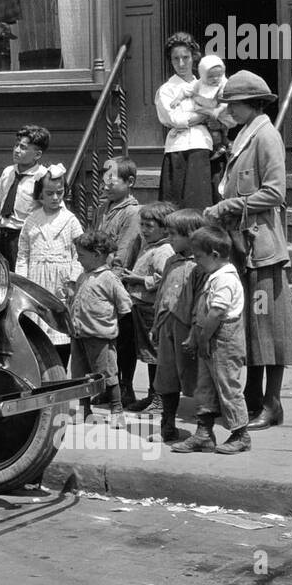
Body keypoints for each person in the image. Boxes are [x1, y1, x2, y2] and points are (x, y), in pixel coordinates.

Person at [203, 71, 292, 429]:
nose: (229, 109)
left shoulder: (266, 136)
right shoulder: (244, 135)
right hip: (241, 247)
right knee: (251, 329)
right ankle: (253, 398)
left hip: (262, 248)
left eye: (233, 104)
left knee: (269, 329)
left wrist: (229, 206)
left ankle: (272, 404)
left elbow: (276, 193)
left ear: (250, 104)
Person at [173, 224, 250, 454]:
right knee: (205, 388)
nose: (196, 261)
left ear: (214, 255)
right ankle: (204, 434)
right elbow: (203, 312)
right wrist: (195, 336)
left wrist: (203, 339)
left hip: (223, 342)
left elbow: (216, 313)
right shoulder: (213, 276)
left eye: (198, 257)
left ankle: (241, 434)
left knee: (228, 387)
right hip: (209, 341)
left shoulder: (225, 279)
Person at [15, 166, 82, 368]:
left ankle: (59, 370)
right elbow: (23, 254)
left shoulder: (70, 220)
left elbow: (79, 253)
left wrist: (72, 280)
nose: (55, 198)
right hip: (36, 280)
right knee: (38, 327)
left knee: (60, 330)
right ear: (39, 194)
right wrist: (22, 282)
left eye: (59, 193)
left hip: (60, 281)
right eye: (49, 193)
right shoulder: (31, 221)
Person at [149, 207, 204, 443]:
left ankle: (203, 427)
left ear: (191, 235)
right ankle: (167, 423)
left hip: (187, 328)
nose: (169, 239)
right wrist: (155, 325)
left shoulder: (199, 266)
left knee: (195, 377)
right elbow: (161, 294)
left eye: (173, 235)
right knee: (166, 376)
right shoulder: (171, 261)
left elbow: (202, 302)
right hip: (166, 324)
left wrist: (195, 331)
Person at [118, 200, 177, 410]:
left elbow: (164, 277)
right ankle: (153, 395)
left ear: (164, 228)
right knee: (148, 354)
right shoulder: (149, 247)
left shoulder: (163, 251)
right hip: (141, 308)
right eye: (142, 225)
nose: (143, 230)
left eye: (149, 226)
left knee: (155, 355)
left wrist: (139, 279)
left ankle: (159, 398)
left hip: (151, 309)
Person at [67, 229, 132, 421]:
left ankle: (117, 410)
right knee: (80, 376)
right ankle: (84, 410)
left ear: (96, 256)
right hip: (79, 335)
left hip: (100, 337)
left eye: (81, 256)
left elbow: (125, 306)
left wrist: (109, 326)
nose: (78, 260)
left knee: (107, 374)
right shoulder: (82, 277)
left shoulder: (109, 278)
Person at [96, 156, 142, 406]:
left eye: (111, 180)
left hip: (119, 284)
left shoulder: (133, 212)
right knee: (106, 341)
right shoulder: (103, 209)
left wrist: (109, 279)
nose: (106, 184)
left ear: (130, 182)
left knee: (124, 340)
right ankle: (108, 385)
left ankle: (126, 387)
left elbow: (124, 252)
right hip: (100, 280)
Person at [155, 31, 215, 209]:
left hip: (203, 146)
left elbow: (221, 109)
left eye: (185, 57)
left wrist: (212, 115)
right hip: (178, 149)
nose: (181, 63)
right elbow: (175, 119)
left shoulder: (206, 85)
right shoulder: (166, 90)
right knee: (175, 206)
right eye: (176, 59)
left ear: (194, 57)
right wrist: (206, 114)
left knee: (200, 203)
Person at [0, 124, 51, 266]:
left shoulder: (43, 177)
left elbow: (49, 215)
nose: (16, 150)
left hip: (21, 237)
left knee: (19, 281)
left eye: (23, 147)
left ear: (37, 155)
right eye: (16, 145)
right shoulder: (8, 172)